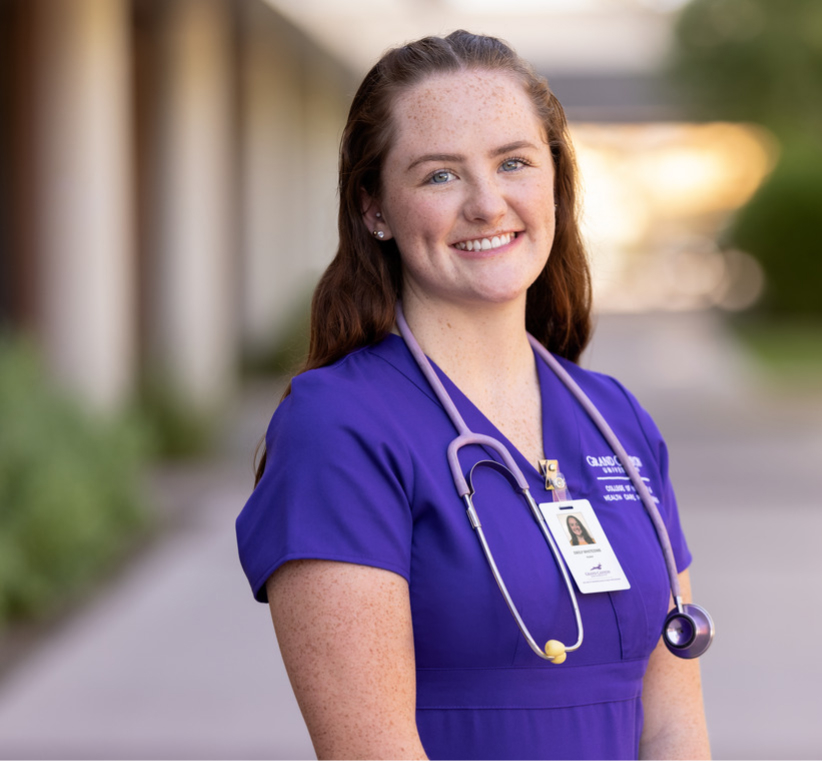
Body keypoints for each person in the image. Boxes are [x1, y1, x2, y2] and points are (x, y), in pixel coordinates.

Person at [236, 30, 710, 760]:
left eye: (514, 162)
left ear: (552, 179)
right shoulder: (340, 430)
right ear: (375, 209)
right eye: (439, 176)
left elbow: (675, 726)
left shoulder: (615, 420)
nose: (488, 204)